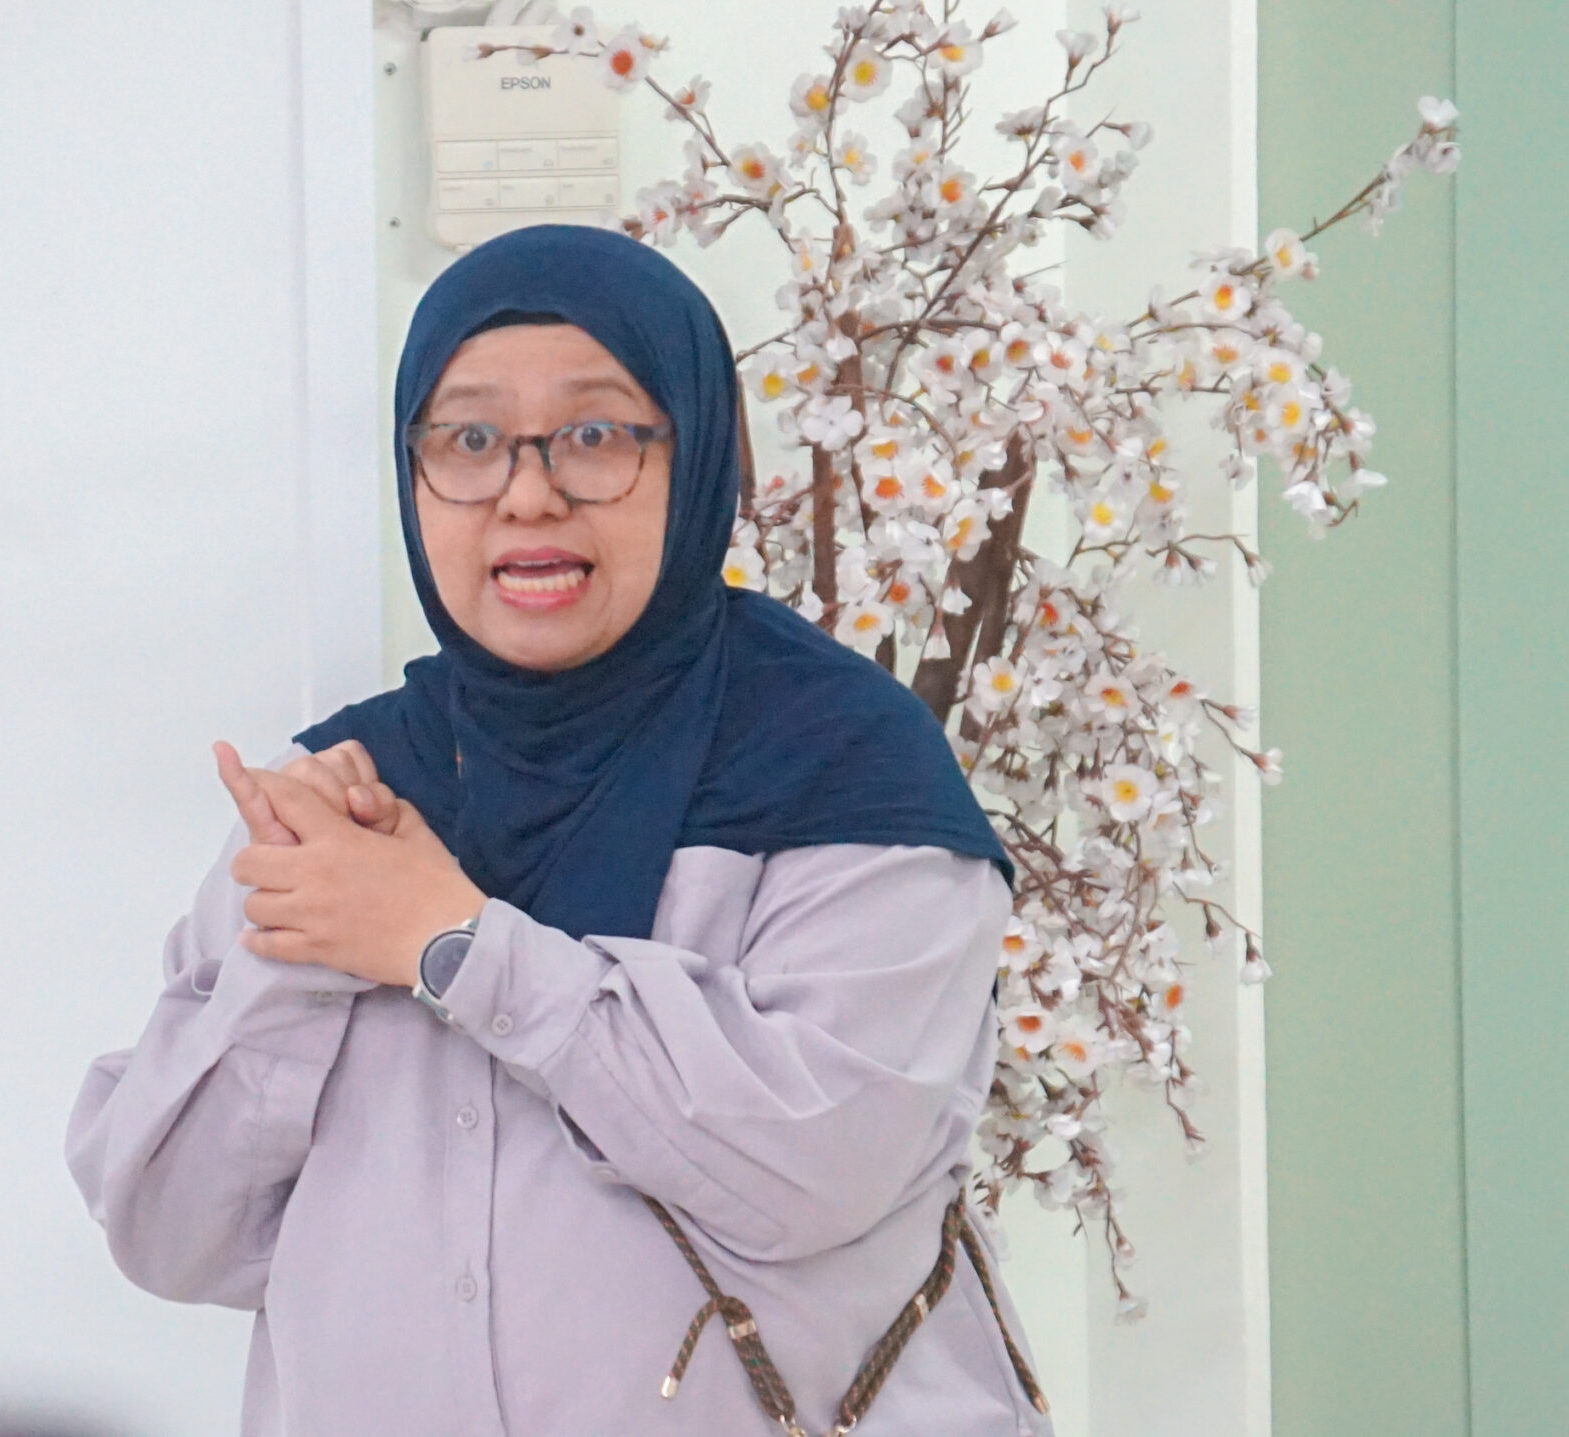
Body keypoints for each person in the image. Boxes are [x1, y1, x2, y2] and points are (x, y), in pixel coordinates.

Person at [66, 225, 1046, 1436]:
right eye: (470, 440)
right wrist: (305, 963)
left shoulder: (840, 770)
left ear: (698, 455)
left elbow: (812, 1173)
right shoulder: (342, 794)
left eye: (595, 435)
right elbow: (167, 1236)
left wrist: (452, 945)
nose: (528, 493)